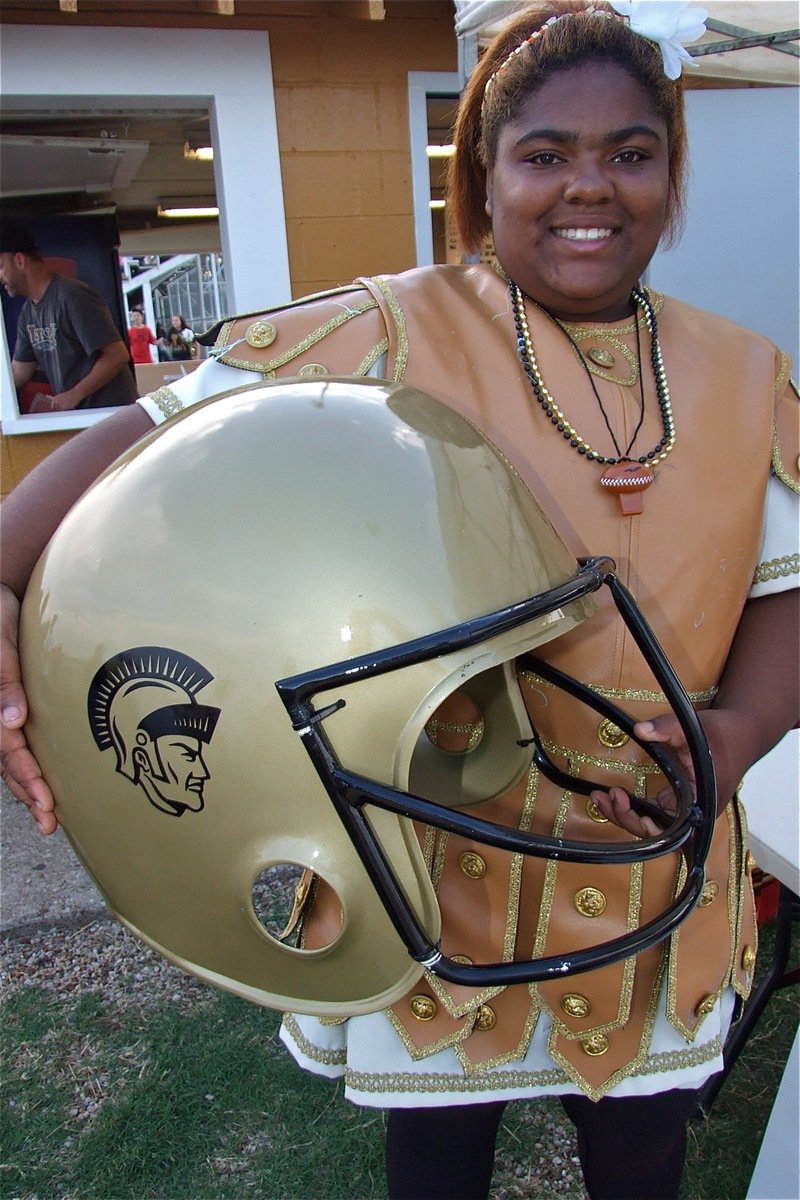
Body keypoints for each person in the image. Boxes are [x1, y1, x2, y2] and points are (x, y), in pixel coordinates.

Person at [1, 3, 798, 1197]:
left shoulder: (746, 373)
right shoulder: (381, 332)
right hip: (439, 850)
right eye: (544, 155)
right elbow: (149, 434)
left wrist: (734, 736)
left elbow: (786, 584)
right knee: (436, 1150)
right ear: (483, 176)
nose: (590, 189)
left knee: (642, 1144)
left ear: (670, 172)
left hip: (659, 853)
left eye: (630, 154)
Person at [0, 224, 138, 412]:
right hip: (76, 419)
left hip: (110, 415)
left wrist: (75, 393)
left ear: (19, 260)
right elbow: (19, 371)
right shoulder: (28, 313)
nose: (0, 277)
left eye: (0, 267)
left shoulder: (72, 296)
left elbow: (117, 354)